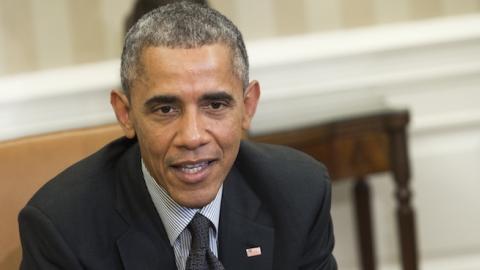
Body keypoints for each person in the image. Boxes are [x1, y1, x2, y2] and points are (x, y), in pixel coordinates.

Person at [18, 2, 337, 269]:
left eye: (215, 104)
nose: (193, 136)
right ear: (125, 114)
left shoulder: (299, 192)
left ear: (247, 106)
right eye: (165, 110)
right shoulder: (61, 227)